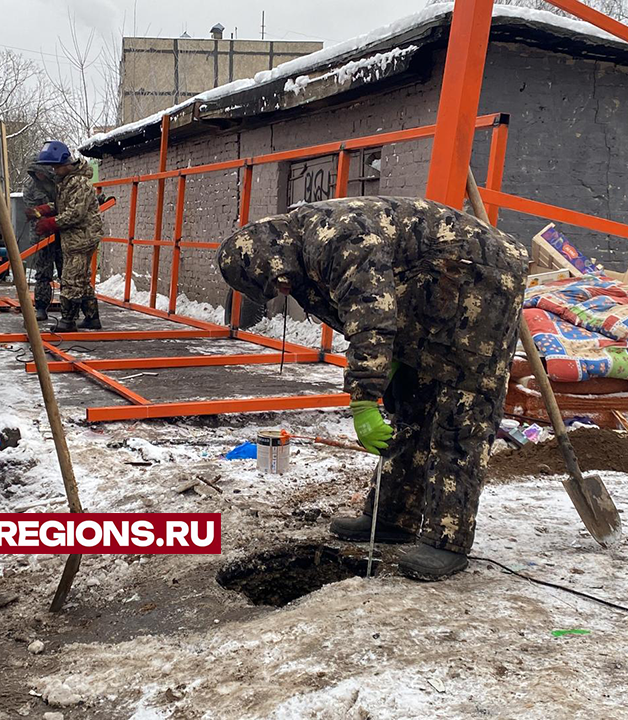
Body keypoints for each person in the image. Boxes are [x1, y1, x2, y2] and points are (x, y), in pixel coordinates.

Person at [216, 197, 528, 581]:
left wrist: (363, 401)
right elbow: (374, 305)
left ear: (273, 256)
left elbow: (371, 317)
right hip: (433, 290)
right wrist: (395, 366)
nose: (281, 289)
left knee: (461, 410)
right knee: (410, 402)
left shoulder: (338, 237)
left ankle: (447, 539)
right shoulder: (303, 253)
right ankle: (393, 516)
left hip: (481, 280)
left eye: (276, 281)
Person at [31, 141, 103, 331]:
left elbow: (75, 213)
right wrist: (44, 210)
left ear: (65, 163)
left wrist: (50, 223)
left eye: (55, 166)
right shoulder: (68, 182)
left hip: (81, 238)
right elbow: (65, 206)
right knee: (82, 278)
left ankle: (67, 321)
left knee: (70, 278)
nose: (54, 171)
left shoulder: (78, 183)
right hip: (76, 237)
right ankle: (91, 317)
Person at [22, 155, 63, 322]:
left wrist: (50, 211)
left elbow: (68, 204)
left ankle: (70, 309)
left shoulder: (60, 182)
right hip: (42, 233)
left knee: (66, 271)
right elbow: (31, 209)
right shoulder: (30, 185)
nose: (38, 175)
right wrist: (40, 218)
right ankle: (40, 307)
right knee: (42, 271)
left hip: (62, 229)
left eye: (40, 172)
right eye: (35, 173)